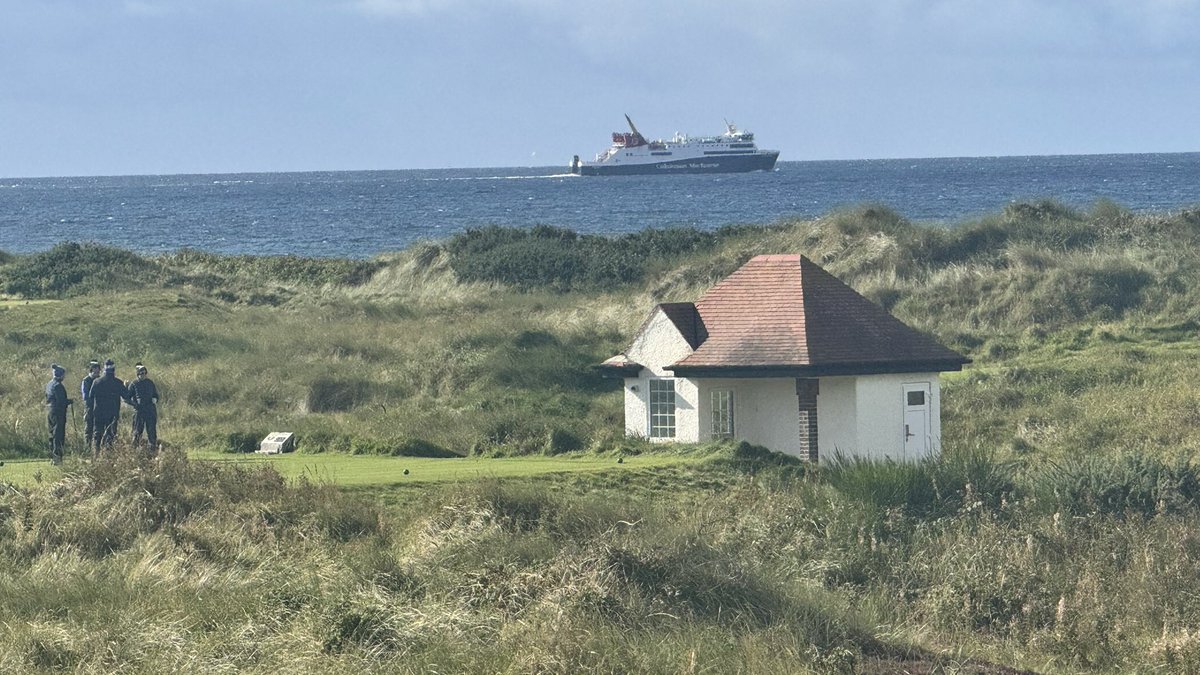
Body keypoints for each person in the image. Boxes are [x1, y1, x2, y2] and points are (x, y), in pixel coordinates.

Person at [89, 359, 130, 453]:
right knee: (110, 435)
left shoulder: (96, 382)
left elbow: (90, 396)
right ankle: (108, 456)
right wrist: (126, 386)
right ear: (114, 370)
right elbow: (126, 396)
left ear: (104, 369)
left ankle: (96, 455)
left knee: (98, 434)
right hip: (112, 413)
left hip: (98, 412)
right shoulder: (118, 383)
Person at [128, 363, 159, 453]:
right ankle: (134, 451)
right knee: (137, 432)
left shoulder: (150, 382)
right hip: (139, 411)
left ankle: (152, 451)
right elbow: (127, 398)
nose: (143, 375)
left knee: (151, 432)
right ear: (138, 374)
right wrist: (135, 404)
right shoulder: (134, 383)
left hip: (150, 410)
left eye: (144, 373)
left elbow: (156, 395)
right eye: (141, 373)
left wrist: (155, 399)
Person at [45, 364, 72, 464]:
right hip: (58, 412)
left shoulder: (49, 384)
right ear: (60, 375)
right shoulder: (58, 386)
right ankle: (57, 457)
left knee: (52, 434)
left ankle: (52, 457)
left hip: (50, 411)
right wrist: (69, 401)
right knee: (58, 435)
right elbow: (61, 401)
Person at [81, 360, 101, 453]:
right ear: (91, 370)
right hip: (89, 408)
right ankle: (87, 449)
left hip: (99, 408)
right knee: (88, 429)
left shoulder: (99, 380)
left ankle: (97, 449)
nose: (97, 374)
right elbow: (85, 396)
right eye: (95, 372)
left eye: (98, 372)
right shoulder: (86, 381)